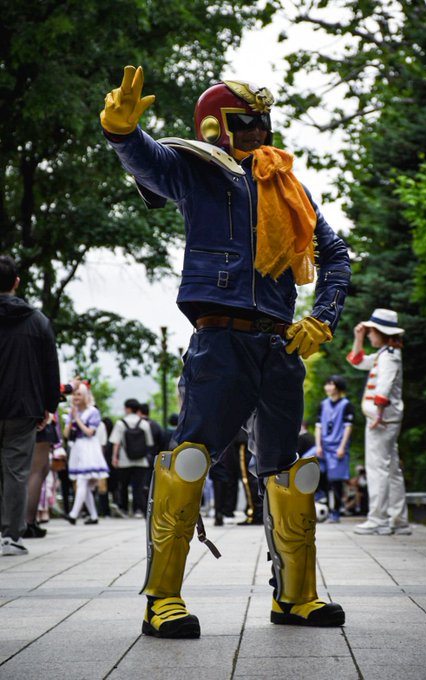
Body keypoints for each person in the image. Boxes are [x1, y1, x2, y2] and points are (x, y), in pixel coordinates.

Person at [100, 67, 351, 638]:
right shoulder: (198, 170)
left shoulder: (289, 186)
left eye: (263, 121)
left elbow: (335, 255)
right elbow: (151, 163)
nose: (259, 131)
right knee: (190, 460)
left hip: (280, 342)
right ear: (215, 125)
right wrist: (122, 133)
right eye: (246, 122)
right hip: (220, 340)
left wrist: (323, 318)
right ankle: (162, 599)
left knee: (290, 472)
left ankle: (295, 596)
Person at [0, 255, 60, 555]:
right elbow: (50, 367)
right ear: (17, 282)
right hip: (23, 407)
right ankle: (11, 536)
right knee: (16, 472)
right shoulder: (37, 321)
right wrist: (49, 405)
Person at [347, 308, 411, 535]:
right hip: (385, 419)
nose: (369, 335)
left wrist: (378, 415)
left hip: (381, 420)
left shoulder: (388, 357)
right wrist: (358, 338)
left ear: (382, 333)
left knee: (377, 469)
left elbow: (384, 386)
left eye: (371, 331)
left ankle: (378, 520)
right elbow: (357, 361)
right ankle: (399, 520)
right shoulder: (385, 354)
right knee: (392, 469)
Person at [63, 383, 109, 525]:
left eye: (79, 394)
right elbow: (66, 434)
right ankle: (94, 516)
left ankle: (73, 514)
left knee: (82, 480)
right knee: (85, 484)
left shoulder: (93, 412)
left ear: (85, 396)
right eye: (74, 394)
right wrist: (71, 419)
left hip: (89, 447)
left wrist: (77, 419)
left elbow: (90, 432)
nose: (76, 397)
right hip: (77, 447)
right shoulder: (72, 412)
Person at [315, 375, 354, 523]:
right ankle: (320, 498)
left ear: (338, 387)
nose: (328, 387)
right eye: (327, 384)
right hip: (323, 446)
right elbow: (319, 427)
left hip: (338, 447)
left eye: (331, 384)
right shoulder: (323, 404)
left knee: (336, 481)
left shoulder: (346, 405)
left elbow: (348, 427)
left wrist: (342, 447)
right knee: (307, 464)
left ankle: (335, 512)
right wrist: (318, 445)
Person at [109, 399, 153, 518]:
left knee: (123, 485)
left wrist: (114, 457)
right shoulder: (144, 424)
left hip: (124, 461)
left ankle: (124, 509)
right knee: (138, 486)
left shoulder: (120, 423)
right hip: (141, 461)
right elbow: (149, 442)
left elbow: (116, 442)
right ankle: (138, 510)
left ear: (128, 409)